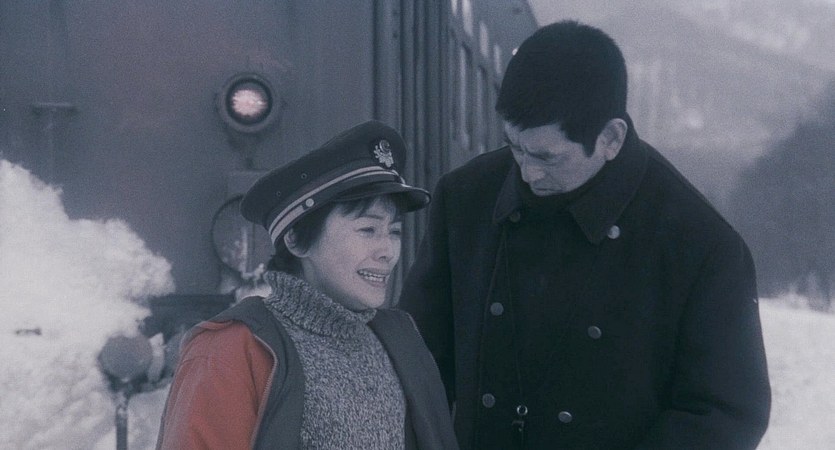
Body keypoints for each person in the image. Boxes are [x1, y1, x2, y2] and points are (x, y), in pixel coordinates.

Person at [398, 20, 770, 449]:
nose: (527, 173)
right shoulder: (465, 199)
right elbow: (416, 363)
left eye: (547, 157)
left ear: (611, 138)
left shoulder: (700, 245)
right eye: (515, 146)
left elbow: (723, 413)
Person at [157, 120, 458, 449]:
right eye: (367, 230)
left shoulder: (401, 340)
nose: (387, 251)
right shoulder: (232, 350)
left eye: (394, 232)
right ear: (296, 239)